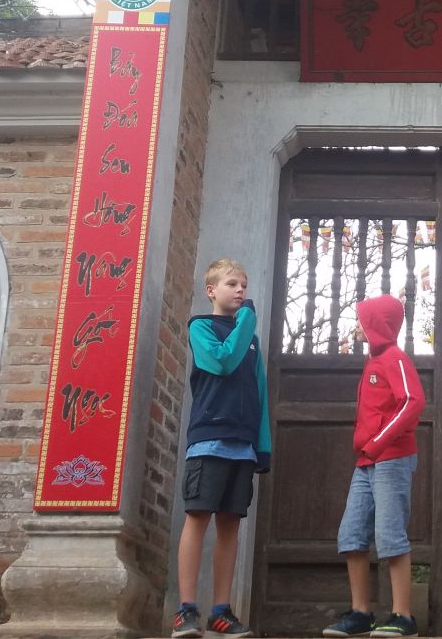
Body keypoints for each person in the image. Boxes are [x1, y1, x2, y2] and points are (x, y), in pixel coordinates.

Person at [172, 258, 270, 639]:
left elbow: (259, 392)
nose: (240, 291)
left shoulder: (252, 340)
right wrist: (247, 320)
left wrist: (262, 447)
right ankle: (186, 609)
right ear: (212, 290)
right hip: (209, 440)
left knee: (230, 526)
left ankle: (221, 611)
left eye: (244, 285)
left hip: (242, 445)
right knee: (198, 518)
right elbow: (222, 361)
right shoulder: (200, 327)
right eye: (232, 284)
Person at [322, 296, 426, 638]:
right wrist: (368, 447)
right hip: (366, 461)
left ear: (377, 325)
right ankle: (360, 613)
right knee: (351, 535)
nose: (358, 327)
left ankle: (403, 616)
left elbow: (413, 401)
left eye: (363, 321)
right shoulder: (373, 360)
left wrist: (379, 441)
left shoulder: (395, 358)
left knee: (390, 536)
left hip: (391, 459)